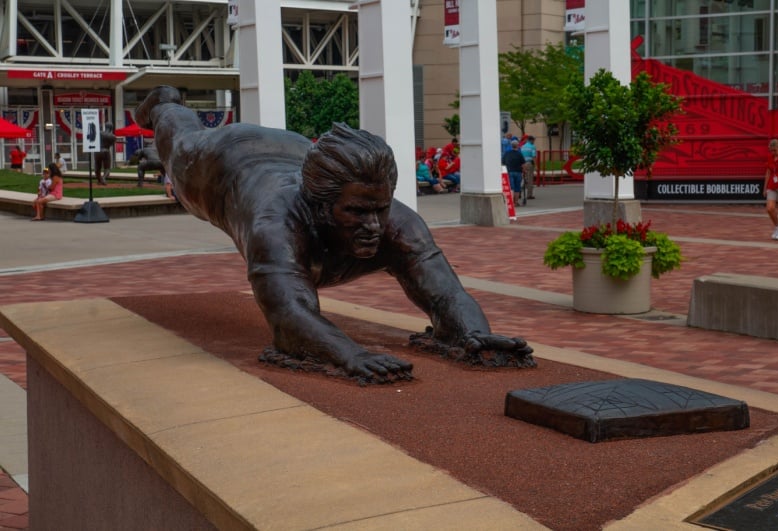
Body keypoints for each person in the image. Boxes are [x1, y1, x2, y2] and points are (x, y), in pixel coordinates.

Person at [135, 85, 534, 383]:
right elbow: (290, 317)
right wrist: (349, 356)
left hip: (292, 149)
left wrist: (475, 335)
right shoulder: (275, 226)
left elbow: (445, 292)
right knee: (181, 142)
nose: (374, 225)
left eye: (379, 208)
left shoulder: (398, 221)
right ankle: (165, 103)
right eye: (357, 212)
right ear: (318, 206)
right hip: (223, 161)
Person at [502, 139, 525, 206]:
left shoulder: (507, 153)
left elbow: (503, 162)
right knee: (517, 188)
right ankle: (516, 202)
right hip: (518, 172)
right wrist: (524, 170)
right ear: (517, 146)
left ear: (511, 146)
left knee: (511, 187)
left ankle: (511, 202)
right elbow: (523, 164)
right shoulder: (519, 154)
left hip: (509, 172)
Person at [520, 135, 536, 204]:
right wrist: (536, 165)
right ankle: (529, 195)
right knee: (530, 179)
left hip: (523, 164)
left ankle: (520, 192)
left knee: (524, 178)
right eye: (534, 140)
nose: (534, 142)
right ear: (531, 140)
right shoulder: (532, 146)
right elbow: (534, 156)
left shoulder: (522, 147)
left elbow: (520, 155)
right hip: (529, 163)